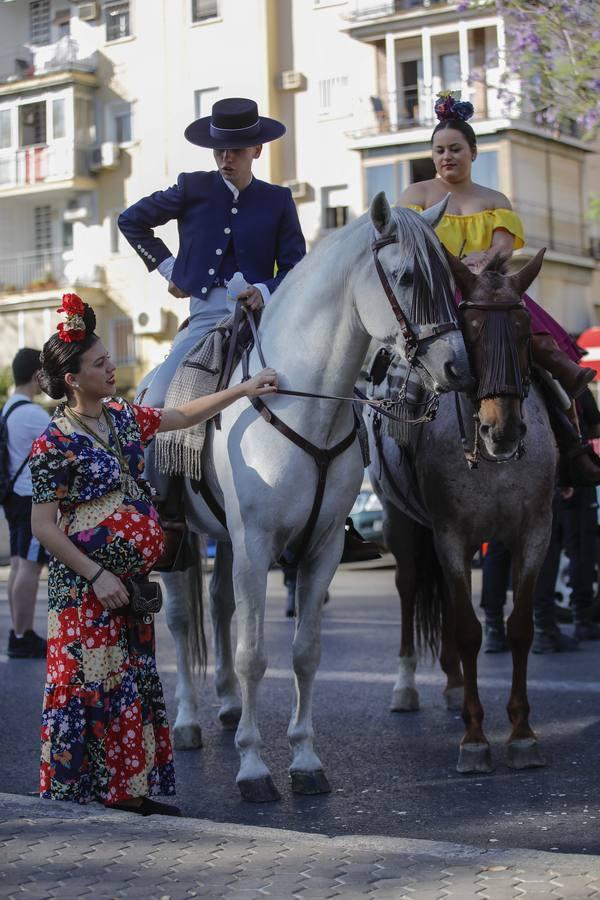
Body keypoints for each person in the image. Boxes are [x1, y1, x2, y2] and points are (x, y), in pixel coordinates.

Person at [30, 293, 277, 815]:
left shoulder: (120, 418)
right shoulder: (53, 442)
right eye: (99, 363)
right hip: (86, 591)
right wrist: (97, 574)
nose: (111, 366)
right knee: (90, 685)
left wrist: (244, 388)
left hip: (130, 587)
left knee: (130, 684)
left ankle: (128, 793)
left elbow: (181, 413)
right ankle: (77, 797)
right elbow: (43, 527)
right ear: (73, 379)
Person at [399, 92, 600, 485]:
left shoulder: (494, 199)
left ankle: (575, 440)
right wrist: (454, 265)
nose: (446, 157)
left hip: (490, 293)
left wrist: (482, 262)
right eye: (439, 150)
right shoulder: (416, 196)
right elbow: (407, 248)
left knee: (531, 337)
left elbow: (504, 249)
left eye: (455, 148)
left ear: (473, 152)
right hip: (437, 298)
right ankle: (391, 451)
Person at [117, 96, 306, 421]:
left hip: (263, 318)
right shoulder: (193, 187)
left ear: (257, 150)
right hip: (205, 318)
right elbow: (131, 220)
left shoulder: (278, 199)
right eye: (220, 150)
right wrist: (173, 270)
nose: (226, 158)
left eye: (237, 150)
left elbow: (295, 268)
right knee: (157, 402)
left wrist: (264, 289)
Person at [1, 348, 50, 658]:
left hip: (12, 498)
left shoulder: (8, 408)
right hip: (30, 499)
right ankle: (23, 635)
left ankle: (17, 632)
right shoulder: (33, 414)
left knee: (19, 564)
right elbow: (63, 445)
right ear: (37, 376)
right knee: (29, 568)